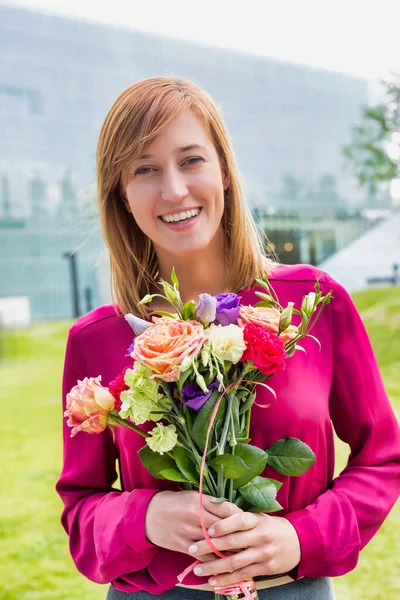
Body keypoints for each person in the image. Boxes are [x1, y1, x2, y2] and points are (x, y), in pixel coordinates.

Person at [56, 77, 400, 600]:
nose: (173, 190)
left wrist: (299, 535)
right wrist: (144, 516)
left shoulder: (313, 303)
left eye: (191, 160)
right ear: (122, 196)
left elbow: (384, 456)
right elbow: (81, 509)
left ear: (224, 172)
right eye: (145, 170)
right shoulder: (95, 341)